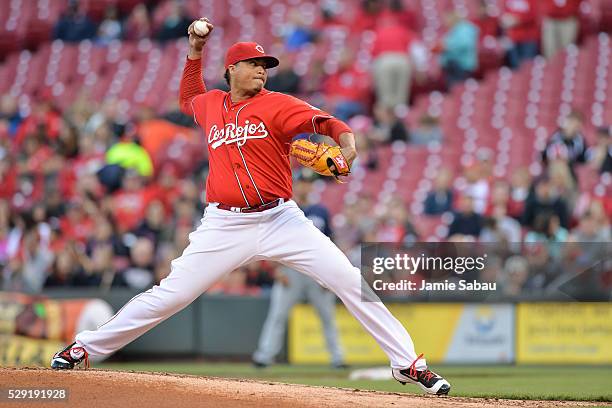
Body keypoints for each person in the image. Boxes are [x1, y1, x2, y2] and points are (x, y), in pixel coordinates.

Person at [50, 18, 451, 396]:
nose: (262, 70)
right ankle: (84, 348)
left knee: (348, 279)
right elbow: (188, 96)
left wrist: (347, 143)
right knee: (171, 295)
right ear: (231, 69)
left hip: (281, 219)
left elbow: (328, 122)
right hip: (225, 223)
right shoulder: (210, 104)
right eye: (254, 64)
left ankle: (407, 363)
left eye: (265, 65)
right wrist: (195, 50)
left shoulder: (277, 103)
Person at [252, 174, 346, 369]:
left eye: (308, 183)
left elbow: (331, 241)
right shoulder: (281, 208)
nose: (304, 187)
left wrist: (329, 276)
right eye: (301, 183)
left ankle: (337, 358)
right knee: (277, 315)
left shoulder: (320, 210)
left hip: (316, 270)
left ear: (312, 187)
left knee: (327, 316)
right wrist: (276, 269)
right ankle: (264, 356)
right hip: (289, 270)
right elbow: (270, 241)